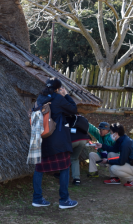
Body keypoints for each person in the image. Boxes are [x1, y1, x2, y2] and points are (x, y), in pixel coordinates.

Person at [32, 78, 79, 209]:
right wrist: (66, 95)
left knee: (39, 169)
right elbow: (73, 109)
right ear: (58, 89)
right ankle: (64, 200)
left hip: (40, 139)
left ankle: (37, 199)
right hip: (58, 140)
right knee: (64, 167)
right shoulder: (58, 98)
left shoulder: (40, 98)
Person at [95, 123, 133, 187]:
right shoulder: (122, 139)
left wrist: (107, 161)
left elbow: (121, 162)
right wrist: (102, 146)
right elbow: (114, 149)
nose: (110, 134)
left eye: (111, 132)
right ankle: (114, 178)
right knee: (111, 154)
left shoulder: (125, 144)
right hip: (130, 163)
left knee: (114, 168)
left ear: (116, 134)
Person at [69, 117, 90, 186]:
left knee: (64, 156)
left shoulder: (69, 117)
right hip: (83, 139)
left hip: (73, 139)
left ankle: (62, 174)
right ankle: (77, 179)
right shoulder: (84, 119)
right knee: (74, 158)